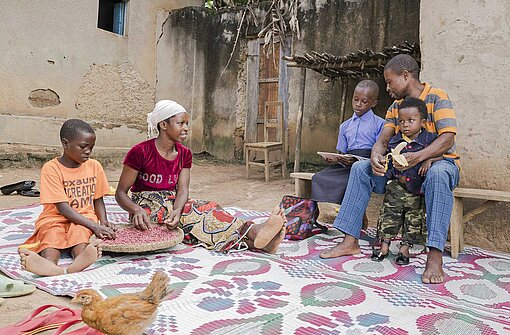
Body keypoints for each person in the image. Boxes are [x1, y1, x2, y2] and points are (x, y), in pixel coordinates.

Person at [320, 54, 460, 284]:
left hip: (437, 165)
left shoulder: (438, 97)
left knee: (438, 173)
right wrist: (376, 155)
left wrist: (419, 157)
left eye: (389, 81)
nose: (387, 88)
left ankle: (434, 257)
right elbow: (383, 139)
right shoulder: (396, 107)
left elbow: (448, 139)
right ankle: (349, 240)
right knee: (361, 168)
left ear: (406, 76)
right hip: (402, 170)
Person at [115, 100, 286, 254]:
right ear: (163, 125)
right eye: (180, 123)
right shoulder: (140, 152)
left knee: (207, 209)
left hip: (173, 201)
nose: (186, 128)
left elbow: (183, 190)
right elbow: (120, 193)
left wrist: (177, 210)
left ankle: (259, 241)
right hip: (146, 207)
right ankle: (255, 232)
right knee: (193, 221)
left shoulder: (184, 153)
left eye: (187, 123)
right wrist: (135, 210)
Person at [19, 119, 116, 276]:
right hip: (54, 218)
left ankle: (80, 260)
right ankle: (49, 264)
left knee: (80, 232)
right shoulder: (51, 168)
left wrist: (103, 222)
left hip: (84, 218)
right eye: (83, 146)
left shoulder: (94, 166)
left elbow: (98, 199)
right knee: (52, 234)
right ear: (65, 143)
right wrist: (95, 226)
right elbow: (63, 208)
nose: (88, 151)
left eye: (91, 147)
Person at [372, 97, 441, 265]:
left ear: (422, 122)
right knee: (389, 214)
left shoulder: (429, 140)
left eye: (411, 120)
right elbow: (388, 156)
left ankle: (404, 248)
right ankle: (384, 246)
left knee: (413, 219)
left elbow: (442, 154)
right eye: (401, 121)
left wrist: (429, 160)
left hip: (417, 188)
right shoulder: (396, 140)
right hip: (397, 186)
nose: (405, 125)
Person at [311, 80, 384, 206]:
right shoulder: (345, 126)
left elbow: (381, 149)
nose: (358, 104)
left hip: (368, 163)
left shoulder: (380, 124)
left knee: (348, 181)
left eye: (364, 101)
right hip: (347, 164)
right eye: (355, 99)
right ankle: (315, 213)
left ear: (374, 103)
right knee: (319, 177)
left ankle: (350, 213)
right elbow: (343, 153)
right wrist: (335, 159)